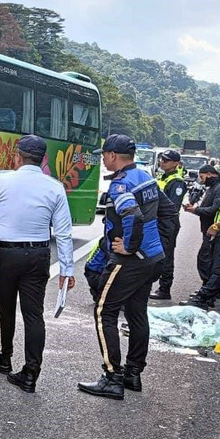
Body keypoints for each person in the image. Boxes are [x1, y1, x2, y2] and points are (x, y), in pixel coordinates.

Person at [0, 134, 75, 393]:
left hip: (6, 254)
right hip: (38, 256)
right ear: (44, 160)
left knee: (4, 308)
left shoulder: (3, 179)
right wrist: (67, 269)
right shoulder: (55, 187)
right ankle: (30, 373)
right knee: (33, 314)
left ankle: (3, 357)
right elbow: (63, 231)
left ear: (17, 157)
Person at [78, 134, 164, 401]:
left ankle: (112, 377)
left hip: (130, 261)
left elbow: (133, 217)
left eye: (104, 154)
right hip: (152, 258)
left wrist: (129, 246)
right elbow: (169, 212)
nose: (103, 159)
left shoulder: (121, 185)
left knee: (105, 312)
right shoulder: (145, 177)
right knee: (138, 314)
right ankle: (133, 373)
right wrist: (156, 246)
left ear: (113, 155)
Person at [181, 161, 220, 310]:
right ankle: (207, 296)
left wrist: (216, 226)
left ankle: (204, 297)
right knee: (215, 265)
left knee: (218, 267)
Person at [183, 164, 220, 289]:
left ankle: (208, 291)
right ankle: (207, 289)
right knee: (206, 260)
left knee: (205, 260)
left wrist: (195, 210)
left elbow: (215, 209)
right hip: (208, 230)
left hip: (214, 231)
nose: (202, 180)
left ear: (209, 174)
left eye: (202, 177)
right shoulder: (213, 187)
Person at [150, 150, 187, 300]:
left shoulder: (177, 182)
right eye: (162, 159)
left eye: (166, 160)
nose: (162, 162)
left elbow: (172, 207)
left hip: (167, 223)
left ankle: (164, 288)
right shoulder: (163, 177)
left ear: (176, 163)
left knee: (165, 255)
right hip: (157, 220)